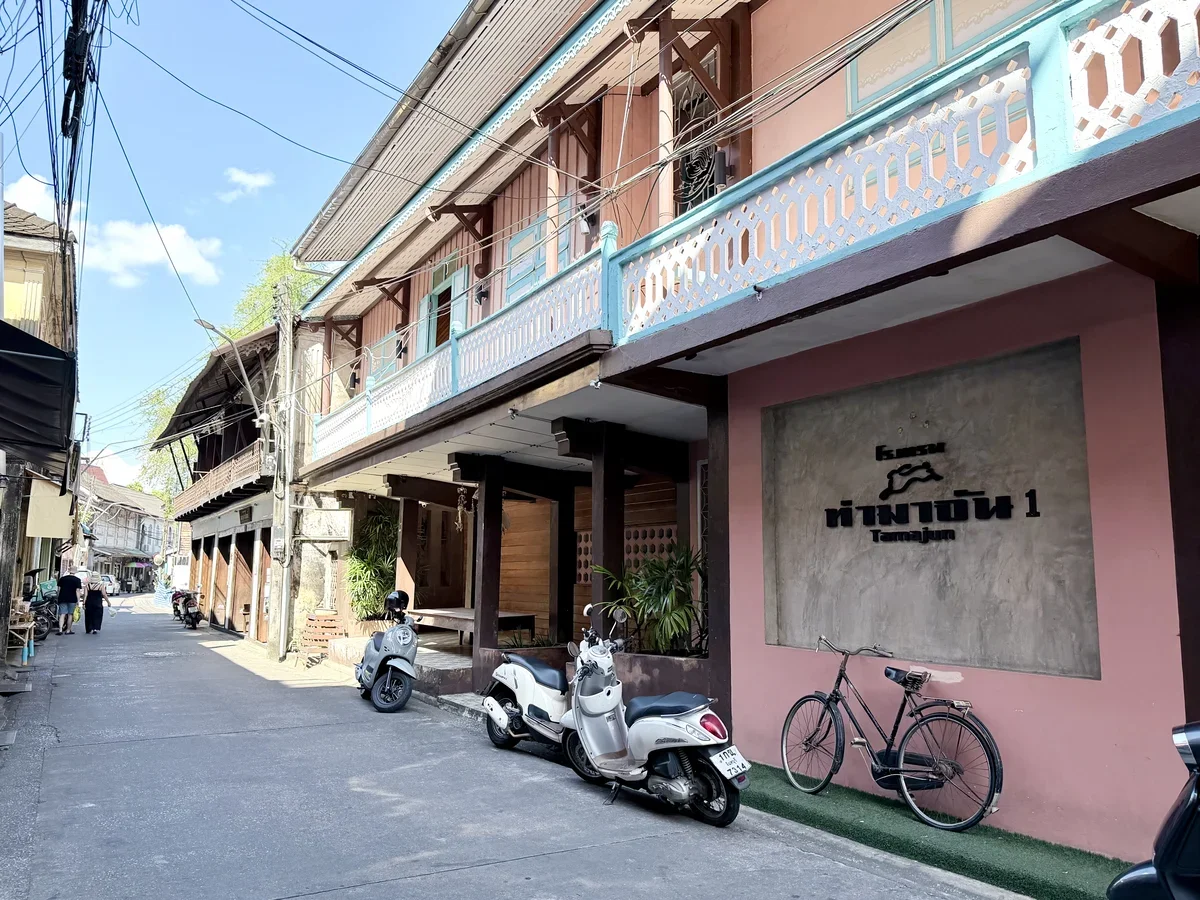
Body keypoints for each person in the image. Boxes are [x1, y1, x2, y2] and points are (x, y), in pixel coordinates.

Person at [55, 571, 82, 635]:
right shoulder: (77, 580)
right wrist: (78, 600)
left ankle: (60, 630)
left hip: (62, 598)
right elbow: (77, 590)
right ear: (75, 572)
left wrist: (58, 597)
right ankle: (68, 630)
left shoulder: (62, 579)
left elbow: (58, 589)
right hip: (72, 599)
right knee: (70, 614)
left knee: (62, 614)